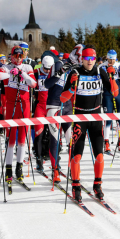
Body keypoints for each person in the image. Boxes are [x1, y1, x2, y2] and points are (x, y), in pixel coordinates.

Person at [60, 45, 119, 202]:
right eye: (86, 58)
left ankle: (97, 185)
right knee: (77, 155)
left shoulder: (100, 72)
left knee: (99, 154)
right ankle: (76, 186)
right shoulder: (75, 72)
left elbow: (115, 93)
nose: (90, 61)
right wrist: (72, 89)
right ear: (81, 59)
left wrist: (112, 78)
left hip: (95, 117)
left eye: (92, 58)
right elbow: (63, 99)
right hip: (80, 117)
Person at [44, 44, 83, 183]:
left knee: (71, 139)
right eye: (80, 57)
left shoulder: (79, 69)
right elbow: (46, 84)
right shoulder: (59, 63)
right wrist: (59, 72)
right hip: (53, 105)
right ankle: (55, 170)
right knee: (55, 139)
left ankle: (74, 169)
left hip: (67, 106)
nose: (82, 60)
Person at [0, 46, 37, 183]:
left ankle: (19, 167)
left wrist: (22, 74)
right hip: (11, 104)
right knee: (10, 138)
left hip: (25, 104)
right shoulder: (6, 68)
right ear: (12, 56)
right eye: (16, 56)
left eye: (21, 56)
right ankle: (8, 169)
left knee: (22, 137)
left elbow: (33, 83)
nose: (19, 58)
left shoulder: (27, 67)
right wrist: (11, 74)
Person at [100, 50, 120, 153]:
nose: (111, 61)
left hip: (118, 92)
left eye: (113, 59)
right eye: (110, 59)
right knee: (108, 118)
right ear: (107, 58)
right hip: (107, 93)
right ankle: (106, 142)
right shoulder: (102, 66)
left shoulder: (119, 65)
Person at [33, 55, 54, 172]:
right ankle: (39, 159)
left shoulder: (54, 72)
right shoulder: (36, 72)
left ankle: (51, 156)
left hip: (51, 106)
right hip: (40, 106)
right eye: (45, 69)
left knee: (52, 133)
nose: (47, 72)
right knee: (39, 134)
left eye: (49, 70)